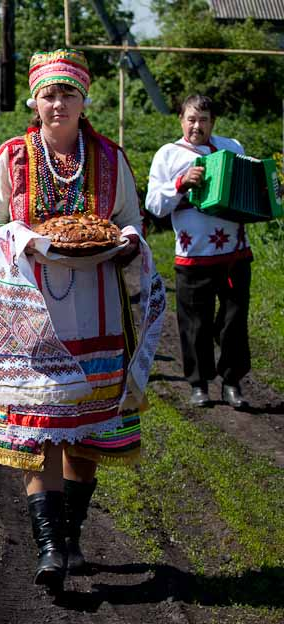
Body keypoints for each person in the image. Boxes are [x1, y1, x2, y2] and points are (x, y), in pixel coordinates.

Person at [0, 50, 165, 593]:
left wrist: (126, 242)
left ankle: (73, 533)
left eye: (68, 94)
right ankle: (51, 548)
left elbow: (130, 223)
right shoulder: (12, 157)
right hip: (32, 315)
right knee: (42, 431)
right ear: (33, 102)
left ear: (85, 101)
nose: (57, 104)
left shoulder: (109, 157)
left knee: (86, 436)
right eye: (48, 95)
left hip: (99, 308)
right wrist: (24, 238)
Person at [145, 95, 250, 410]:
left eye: (203, 120)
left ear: (212, 122)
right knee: (195, 324)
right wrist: (180, 183)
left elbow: (247, 187)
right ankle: (199, 384)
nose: (197, 126)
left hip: (235, 253)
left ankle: (232, 382)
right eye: (191, 119)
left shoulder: (233, 148)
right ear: (181, 120)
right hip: (192, 255)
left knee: (234, 322)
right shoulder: (168, 155)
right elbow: (154, 205)